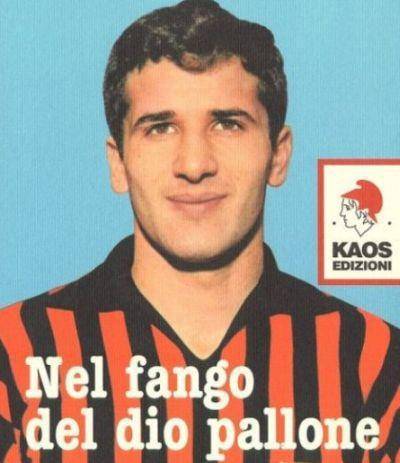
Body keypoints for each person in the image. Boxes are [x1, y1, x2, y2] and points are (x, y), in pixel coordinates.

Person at [1, 1, 399, 462]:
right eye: (160, 128)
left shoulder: (376, 367)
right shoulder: (14, 359)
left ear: (278, 155)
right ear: (118, 162)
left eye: (227, 124)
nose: (194, 164)